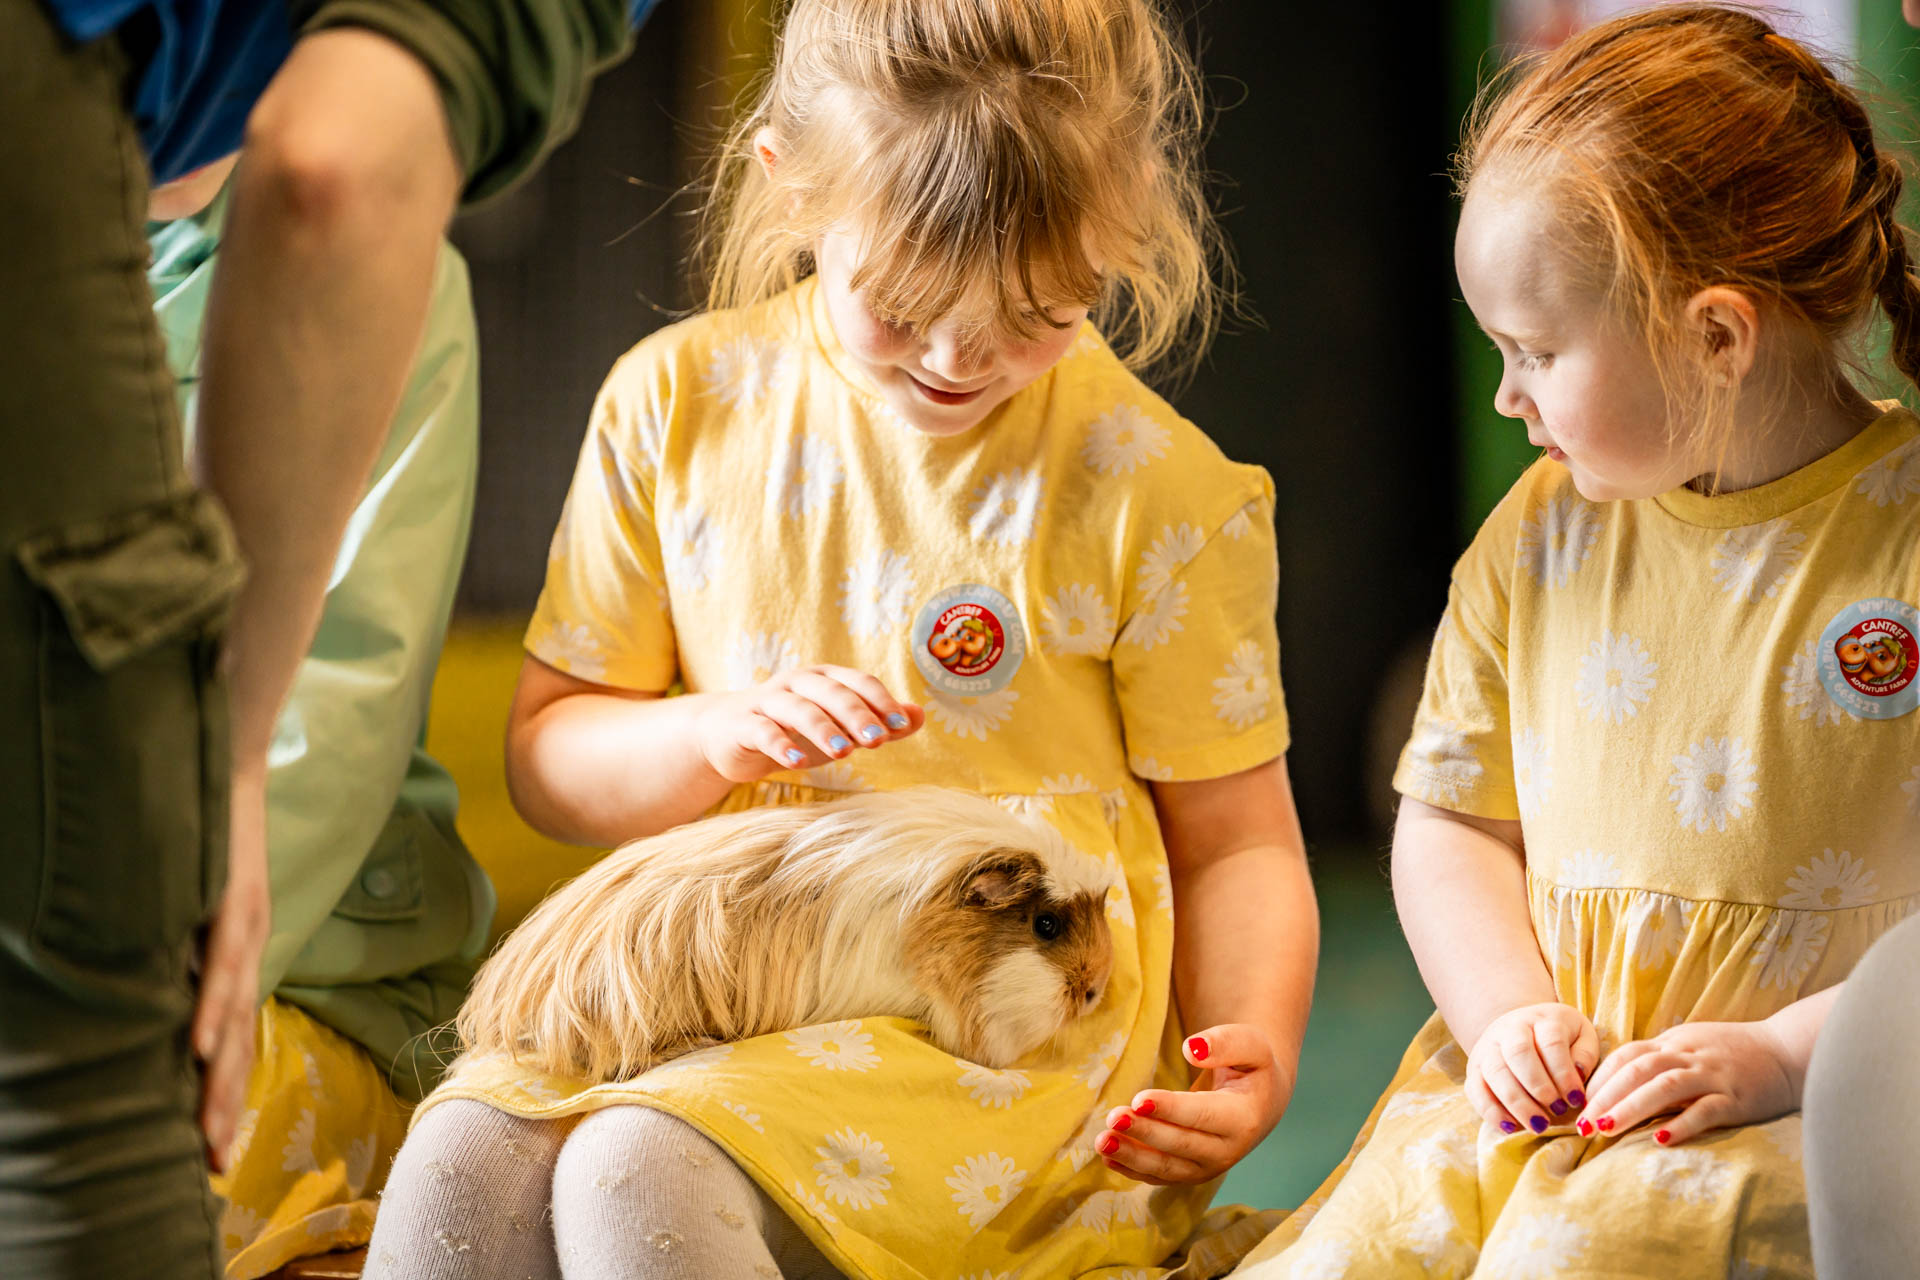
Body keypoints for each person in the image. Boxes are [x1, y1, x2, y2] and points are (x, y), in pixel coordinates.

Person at [365, 0, 1321, 1276]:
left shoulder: (1156, 489)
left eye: (1033, 310)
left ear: (1123, 217)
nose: (954, 357)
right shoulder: (672, 407)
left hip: (995, 1046)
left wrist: (1251, 1044)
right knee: (462, 1152)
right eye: (904, 302)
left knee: (638, 1160)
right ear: (792, 187)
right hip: (706, 993)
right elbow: (553, 752)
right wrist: (704, 732)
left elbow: (1238, 840)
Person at [1226, 6, 1920, 1277]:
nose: (1506, 394)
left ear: (1716, 334)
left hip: (1800, 1114)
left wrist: (1778, 1054)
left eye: (1538, 350)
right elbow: (1450, 822)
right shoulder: (1541, 532)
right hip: (1538, 1100)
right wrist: (1505, 1018)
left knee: (1584, 1254)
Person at [1, 3, 638, 1276]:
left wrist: (175, 920)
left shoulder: (388, 285)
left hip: (299, 959)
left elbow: (328, 720)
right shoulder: (62, 235)